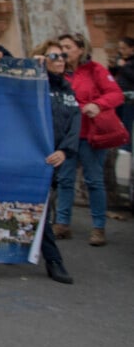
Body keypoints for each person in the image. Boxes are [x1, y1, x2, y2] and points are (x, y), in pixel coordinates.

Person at [55, 32, 125, 246]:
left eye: (68, 47)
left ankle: (98, 228)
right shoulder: (60, 72)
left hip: (90, 135)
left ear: (81, 49)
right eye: (61, 47)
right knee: (64, 180)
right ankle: (62, 223)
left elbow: (116, 94)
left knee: (93, 181)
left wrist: (98, 104)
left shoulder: (96, 70)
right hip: (67, 137)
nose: (64, 51)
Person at [34, 41, 77, 284]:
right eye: (53, 55)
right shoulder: (34, 84)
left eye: (62, 55)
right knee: (42, 210)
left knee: (43, 209)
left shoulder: (67, 89)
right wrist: (34, 66)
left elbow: (75, 120)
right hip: (37, 157)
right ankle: (54, 260)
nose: (60, 59)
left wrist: (65, 150)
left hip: (57, 158)